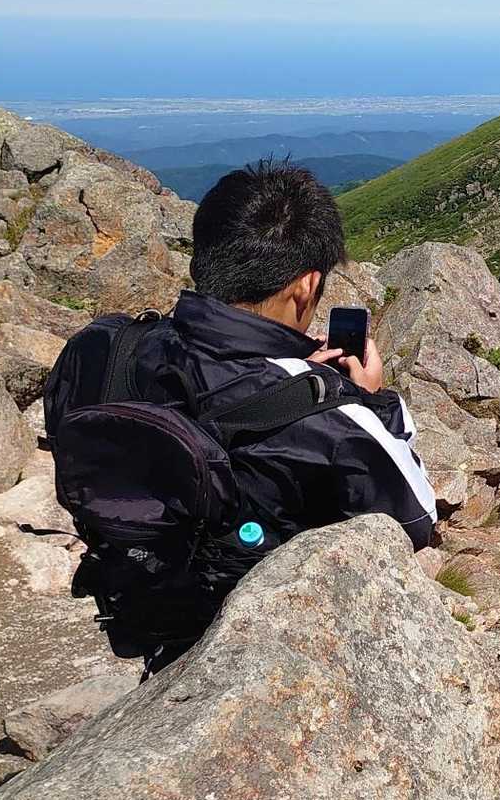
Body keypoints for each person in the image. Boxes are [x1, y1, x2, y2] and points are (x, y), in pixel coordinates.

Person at [43, 160, 434, 669]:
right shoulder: (325, 411)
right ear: (306, 285)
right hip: (259, 646)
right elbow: (415, 520)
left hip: (139, 600)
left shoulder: (100, 345)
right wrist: (367, 399)